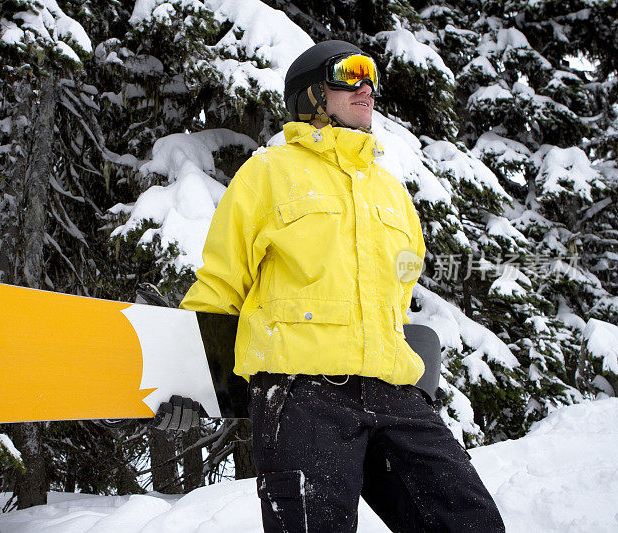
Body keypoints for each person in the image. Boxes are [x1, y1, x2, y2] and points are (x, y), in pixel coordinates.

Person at [176, 40, 505, 532]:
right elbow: (221, 281)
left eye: (372, 75)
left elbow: (396, 301)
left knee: (473, 522)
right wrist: (184, 375)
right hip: (303, 393)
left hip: (394, 392)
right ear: (312, 95)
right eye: (351, 74)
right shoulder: (269, 174)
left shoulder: (391, 192)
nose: (366, 86)